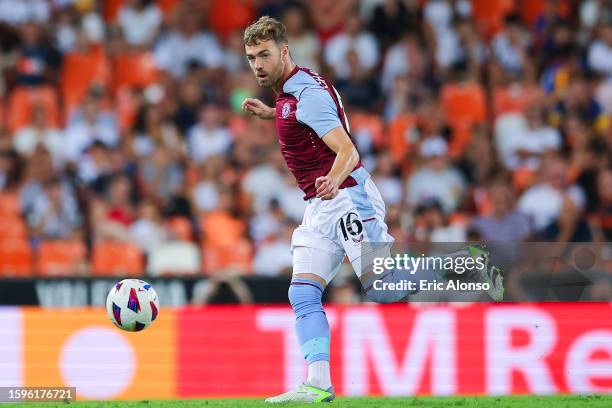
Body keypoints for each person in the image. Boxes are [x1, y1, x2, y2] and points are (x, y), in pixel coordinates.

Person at [241, 16, 502, 404]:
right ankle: (317, 384)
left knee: (382, 288)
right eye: (251, 57)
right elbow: (303, 121)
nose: (258, 65)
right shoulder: (292, 91)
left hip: (345, 195)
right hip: (320, 205)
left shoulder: (305, 95)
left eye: (264, 55)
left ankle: (464, 263)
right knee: (302, 292)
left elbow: (348, 150)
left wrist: (331, 178)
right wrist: (270, 113)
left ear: (284, 51)